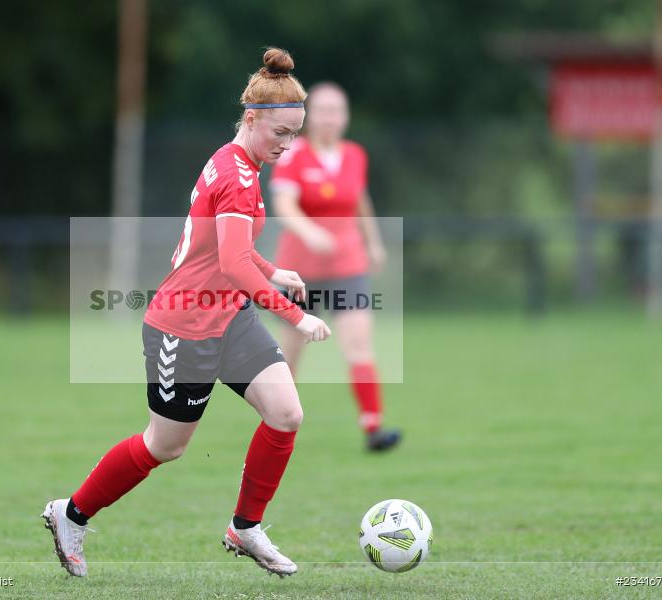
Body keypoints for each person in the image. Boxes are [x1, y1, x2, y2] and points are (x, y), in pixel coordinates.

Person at [42, 48, 330, 579]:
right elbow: (232, 263)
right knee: (165, 446)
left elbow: (229, 252)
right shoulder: (238, 176)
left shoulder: (238, 161)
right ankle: (71, 513)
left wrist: (271, 270)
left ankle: (246, 527)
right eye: (281, 133)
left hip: (229, 318)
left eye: (295, 134)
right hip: (184, 328)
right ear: (252, 118)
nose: (288, 145)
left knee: (286, 413)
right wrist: (296, 316)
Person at [269, 81, 401, 452]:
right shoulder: (293, 153)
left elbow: (360, 200)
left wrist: (373, 242)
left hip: (347, 267)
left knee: (359, 345)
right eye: (323, 110)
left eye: (337, 111)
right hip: (299, 273)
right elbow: (284, 205)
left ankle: (373, 428)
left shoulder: (355, 155)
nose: (330, 118)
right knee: (289, 356)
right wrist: (310, 232)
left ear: (346, 117)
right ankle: (276, 427)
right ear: (309, 117)